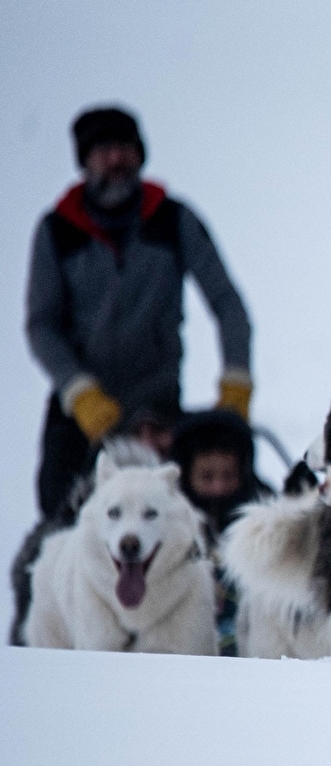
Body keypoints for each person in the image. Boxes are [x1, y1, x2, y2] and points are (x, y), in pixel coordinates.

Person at [25, 105, 253, 518]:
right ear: (84, 161)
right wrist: (79, 392)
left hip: (159, 405)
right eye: (102, 150)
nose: (115, 159)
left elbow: (226, 303)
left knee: (176, 518)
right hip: (80, 413)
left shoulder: (172, 220)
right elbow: (42, 325)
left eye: (125, 148)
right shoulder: (57, 232)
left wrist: (236, 381)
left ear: (140, 154)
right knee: (60, 517)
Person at [170, 409, 272, 657]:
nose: (218, 487)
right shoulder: (167, 524)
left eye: (228, 476)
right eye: (207, 477)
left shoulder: (266, 518)